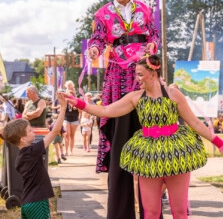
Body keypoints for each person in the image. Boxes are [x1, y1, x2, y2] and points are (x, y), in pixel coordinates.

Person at [63, 54, 223, 219]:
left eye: (140, 74)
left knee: (180, 212)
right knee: (151, 212)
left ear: (153, 73)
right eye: (136, 75)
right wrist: (78, 103)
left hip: (176, 154)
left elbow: (195, 123)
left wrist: (219, 143)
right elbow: (105, 111)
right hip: (149, 157)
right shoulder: (136, 98)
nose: (136, 79)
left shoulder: (173, 94)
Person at [87, 0, 159, 218]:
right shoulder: (103, 13)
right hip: (118, 76)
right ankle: (120, 211)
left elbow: (154, 35)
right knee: (120, 140)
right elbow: (97, 39)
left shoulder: (144, 9)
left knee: (151, 135)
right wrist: (95, 49)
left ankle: (153, 204)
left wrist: (152, 43)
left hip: (143, 73)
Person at [2, 92, 67, 219]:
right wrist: (63, 108)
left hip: (28, 202)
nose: (33, 131)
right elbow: (54, 131)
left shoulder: (20, 157)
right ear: (23, 139)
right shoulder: (32, 152)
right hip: (36, 203)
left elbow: (33, 181)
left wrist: (44, 198)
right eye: (30, 130)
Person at [63, 90, 80, 156]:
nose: (69, 97)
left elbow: (81, 111)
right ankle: (66, 151)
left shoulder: (76, 102)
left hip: (74, 120)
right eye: (68, 95)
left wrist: (77, 107)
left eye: (71, 95)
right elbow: (62, 110)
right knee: (66, 134)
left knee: (72, 136)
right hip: (66, 119)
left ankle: (71, 151)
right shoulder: (65, 102)